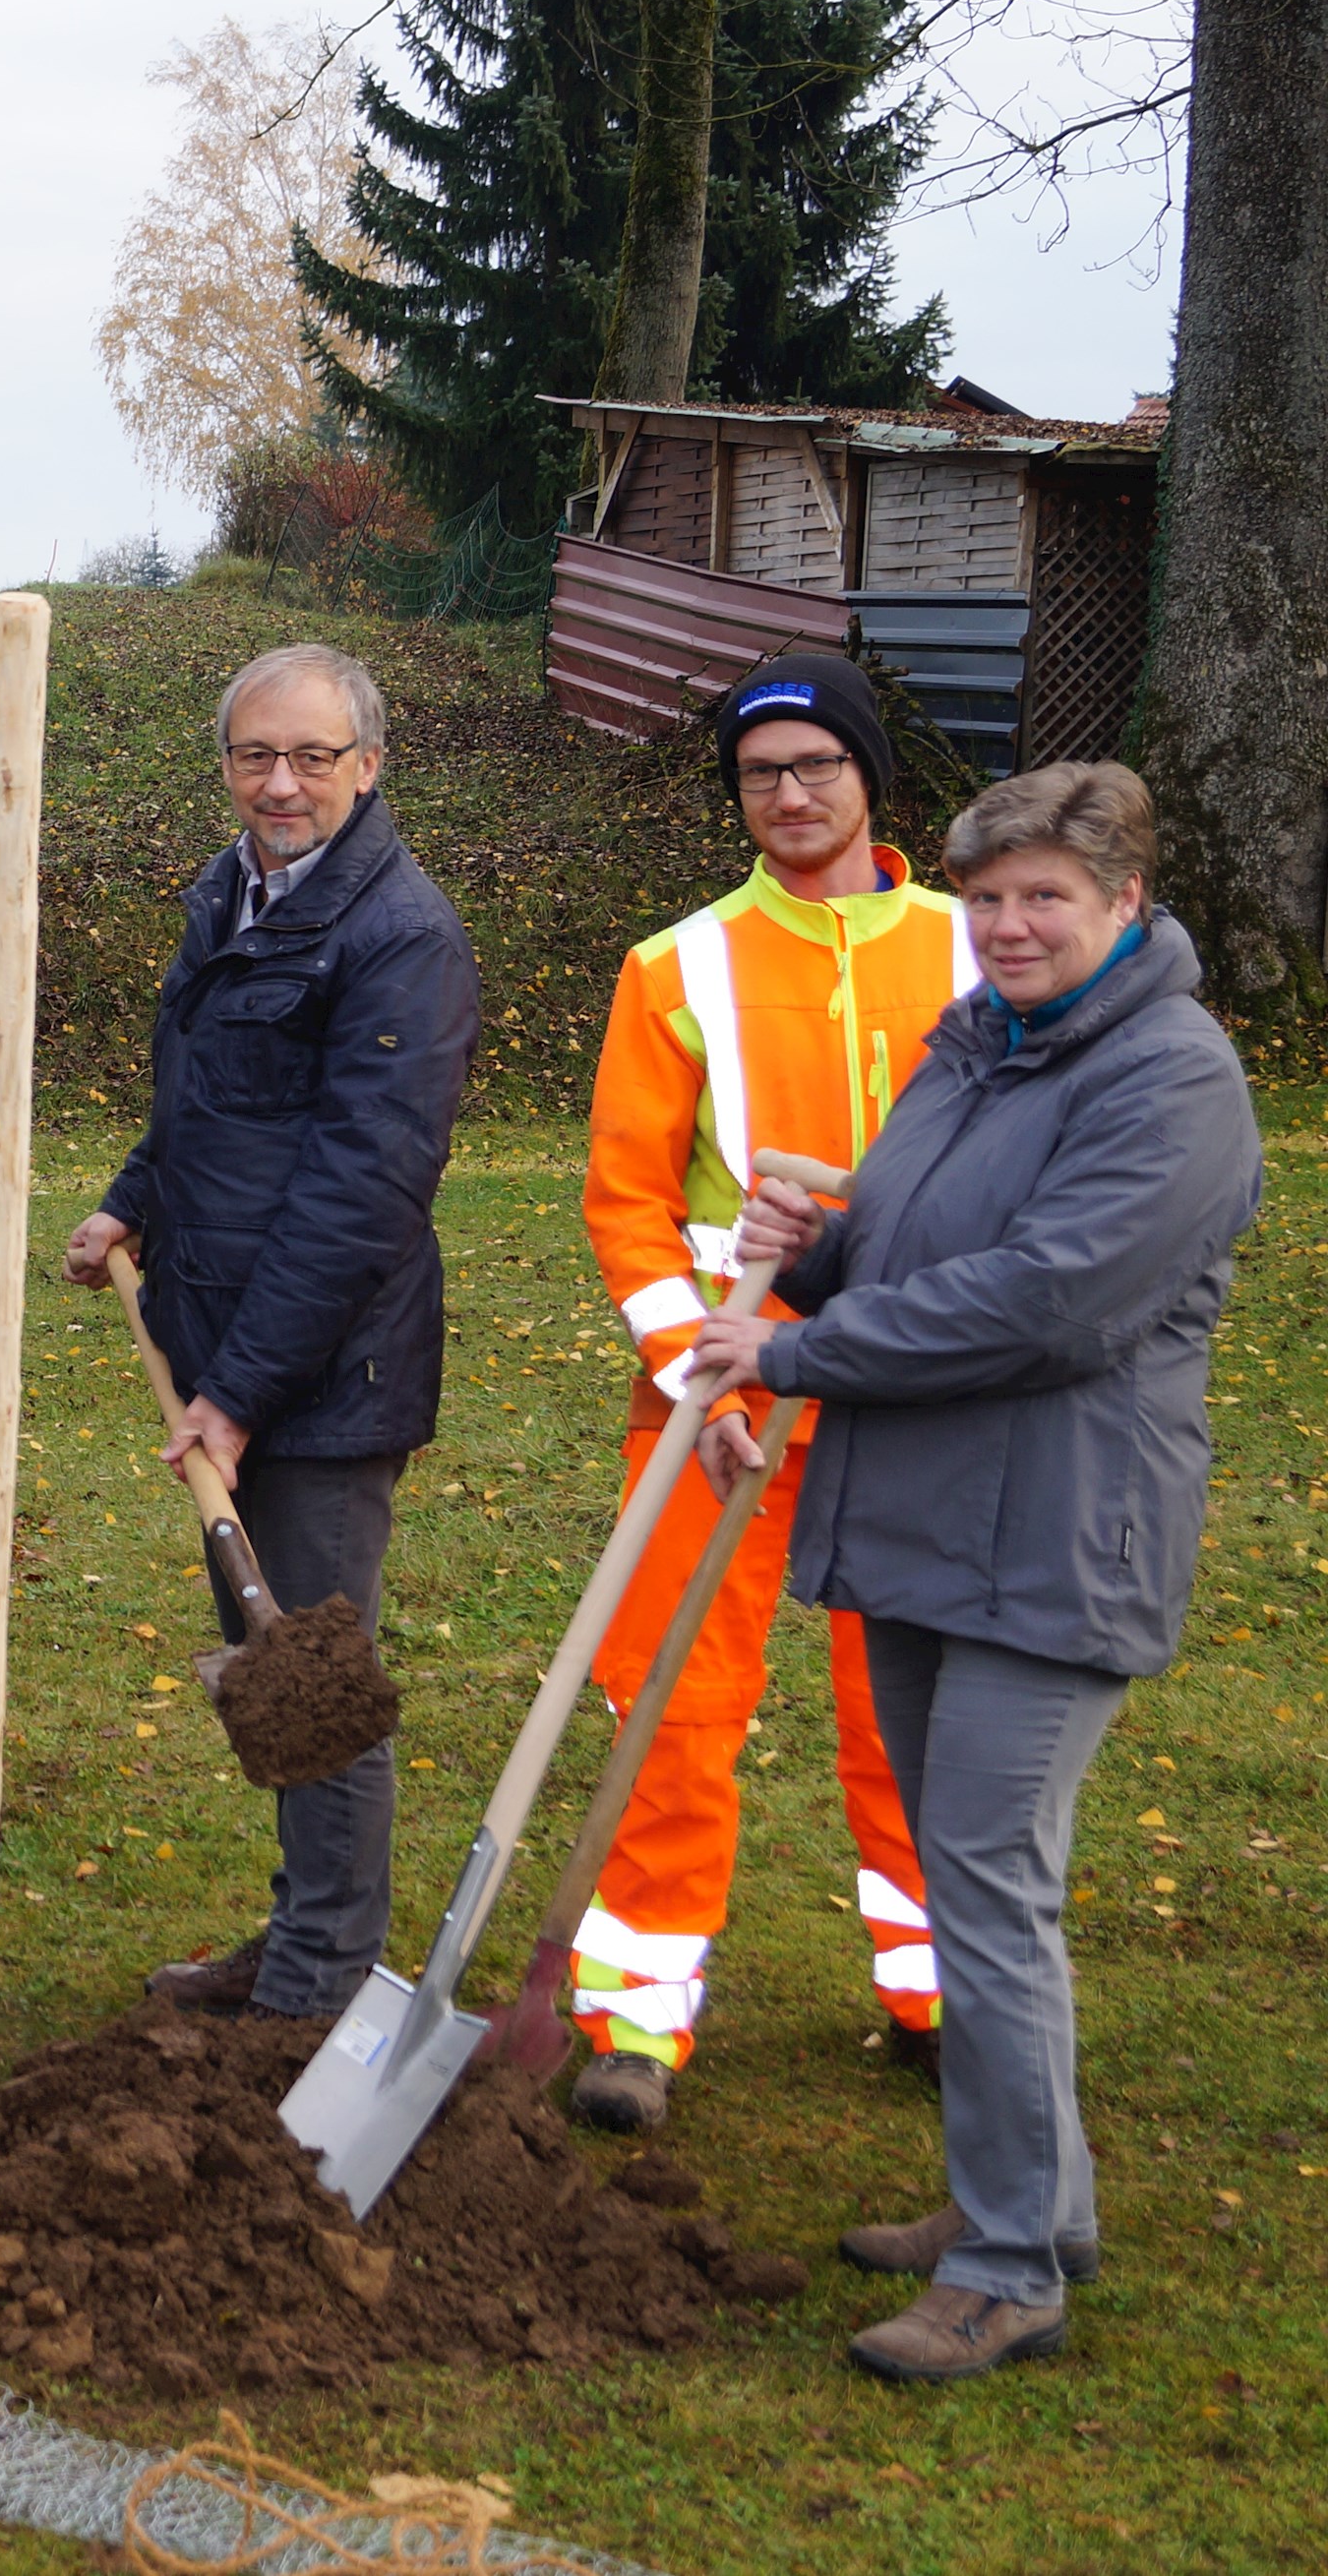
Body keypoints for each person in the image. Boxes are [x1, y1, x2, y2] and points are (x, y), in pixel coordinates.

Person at [695, 761, 1257, 2385]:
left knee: (991, 1888)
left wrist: (797, 1346)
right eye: (990, 895)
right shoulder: (977, 1045)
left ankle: (1010, 2269)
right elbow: (912, 1231)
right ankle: (1036, 2202)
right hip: (936, 1524)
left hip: (1060, 1536)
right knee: (966, 1883)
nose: (1009, 925)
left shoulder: (1172, 1078)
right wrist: (817, 1239)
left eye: (1045, 901)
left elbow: (1045, 1298)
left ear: (1124, 906)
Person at [565, 655, 966, 2133]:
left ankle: (942, 1990)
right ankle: (635, 2016)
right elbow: (627, 1200)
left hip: (919, 1392)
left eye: (816, 766)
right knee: (671, 1694)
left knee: (912, 1702)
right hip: (726, 1391)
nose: (789, 796)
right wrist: (696, 1375)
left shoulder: (977, 945)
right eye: (759, 774)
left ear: (870, 776)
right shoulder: (677, 965)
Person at [60, 640, 478, 2027]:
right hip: (226, 1341)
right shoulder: (239, 893)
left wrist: (234, 1394)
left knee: (314, 1675)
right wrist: (130, 1201)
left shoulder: (399, 936)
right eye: (256, 755)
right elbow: (213, 1100)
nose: (280, 782)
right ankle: (307, 1928)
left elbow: (365, 1189)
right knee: (270, 1657)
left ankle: (320, 1982)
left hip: (323, 1369)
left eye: (311, 757)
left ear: (368, 766)